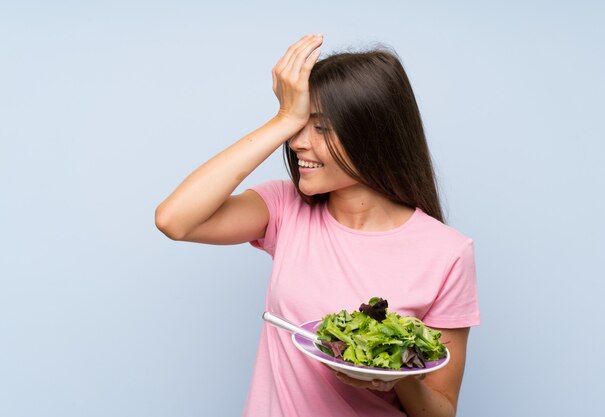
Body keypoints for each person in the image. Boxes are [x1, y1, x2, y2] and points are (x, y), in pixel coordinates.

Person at [155, 33, 480, 417]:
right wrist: (283, 119)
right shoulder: (284, 208)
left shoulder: (447, 252)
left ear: (372, 135)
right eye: (300, 126)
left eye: (321, 128)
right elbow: (174, 220)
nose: (297, 143)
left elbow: (440, 411)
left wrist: (398, 367)